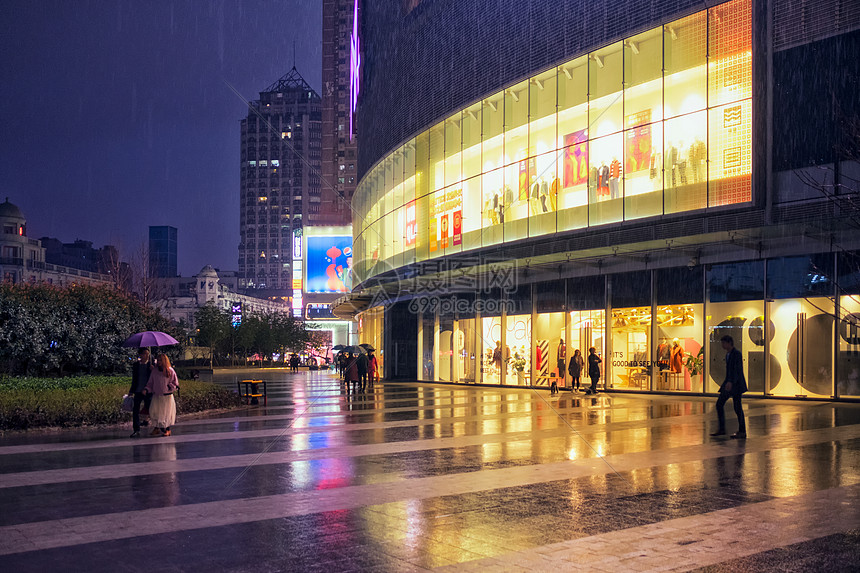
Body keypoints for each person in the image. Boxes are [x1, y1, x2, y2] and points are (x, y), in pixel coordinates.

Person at [711, 335, 748, 439]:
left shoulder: (736, 354)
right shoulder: (728, 354)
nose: (722, 345)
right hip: (730, 383)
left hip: (735, 385)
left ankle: (741, 431)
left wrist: (731, 382)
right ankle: (724, 429)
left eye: (723, 343)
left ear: (729, 343)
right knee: (721, 404)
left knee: (736, 407)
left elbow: (737, 370)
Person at [144, 353, 179, 437]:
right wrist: (147, 389)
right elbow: (150, 382)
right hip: (156, 395)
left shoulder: (170, 371)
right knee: (155, 412)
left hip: (166, 396)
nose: (159, 362)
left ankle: (167, 429)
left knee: (166, 413)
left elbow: (175, 383)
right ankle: (156, 428)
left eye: (160, 360)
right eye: (158, 360)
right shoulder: (155, 371)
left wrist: (169, 387)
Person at [128, 348, 152, 438]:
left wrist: (153, 369)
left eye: (147, 354)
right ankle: (136, 429)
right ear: (141, 355)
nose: (146, 356)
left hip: (148, 391)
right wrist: (131, 390)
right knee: (135, 410)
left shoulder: (151, 365)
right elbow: (134, 379)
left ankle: (159, 427)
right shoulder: (136, 365)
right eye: (144, 354)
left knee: (152, 409)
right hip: (138, 390)